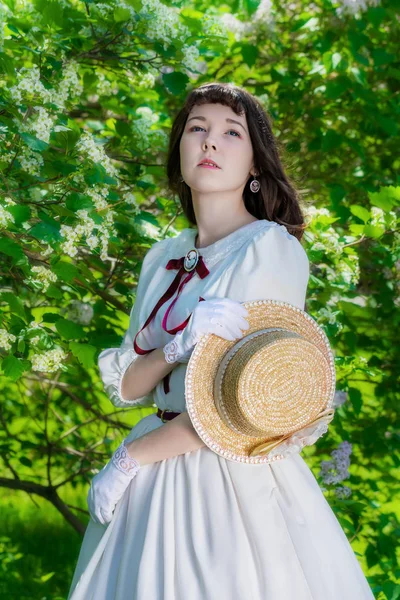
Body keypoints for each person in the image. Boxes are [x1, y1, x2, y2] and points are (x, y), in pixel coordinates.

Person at [68, 83, 375, 599]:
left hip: (225, 476)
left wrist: (129, 460)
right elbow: (129, 384)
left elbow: (243, 406)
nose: (210, 143)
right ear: (181, 151)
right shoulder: (161, 256)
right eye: (197, 129)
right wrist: (175, 345)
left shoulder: (269, 249)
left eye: (232, 133)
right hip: (152, 466)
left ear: (256, 165)